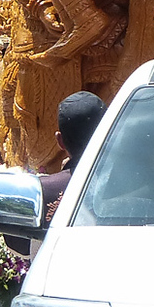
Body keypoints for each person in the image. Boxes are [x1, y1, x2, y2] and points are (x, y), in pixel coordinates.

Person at [38, 91, 107, 221]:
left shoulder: (43, 192)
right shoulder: (139, 182)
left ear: (60, 141)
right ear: (113, 133)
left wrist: (64, 174)